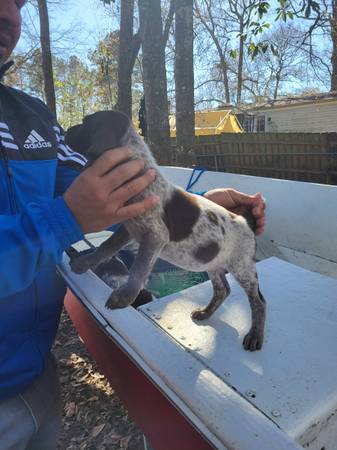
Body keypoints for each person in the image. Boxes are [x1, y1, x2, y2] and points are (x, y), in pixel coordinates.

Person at [0, 1, 266, 449]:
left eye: (19, 1)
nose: (9, 13)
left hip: (38, 376)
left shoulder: (34, 117)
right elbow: (73, 209)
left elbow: (119, 200)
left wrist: (204, 208)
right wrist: (63, 219)